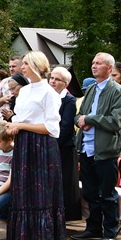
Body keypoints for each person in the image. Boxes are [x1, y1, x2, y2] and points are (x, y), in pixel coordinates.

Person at [5, 51, 64, 240]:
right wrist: (13, 125)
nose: (22, 67)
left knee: (41, 194)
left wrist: (21, 125)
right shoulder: (25, 91)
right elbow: (22, 117)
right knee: (25, 192)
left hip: (41, 146)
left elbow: (51, 127)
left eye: (26, 64)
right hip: (24, 145)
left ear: (37, 66)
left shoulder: (49, 93)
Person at [72, 52, 121, 240]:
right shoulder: (91, 89)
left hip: (106, 150)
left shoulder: (117, 91)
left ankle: (110, 232)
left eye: (98, 63)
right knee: (90, 192)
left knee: (107, 194)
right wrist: (81, 120)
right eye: (93, 63)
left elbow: (117, 121)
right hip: (86, 148)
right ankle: (93, 227)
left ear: (109, 68)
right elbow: (79, 115)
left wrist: (90, 119)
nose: (94, 66)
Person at [49, 66, 79, 221]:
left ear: (65, 84)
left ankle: (65, 215)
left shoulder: (69, 100)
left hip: (63, 147)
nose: (53, 81)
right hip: (49, 145)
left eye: (57, 79)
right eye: (51, 78)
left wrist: (52, 143)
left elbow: (66, 127)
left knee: (64, 182)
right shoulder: (47, 97)